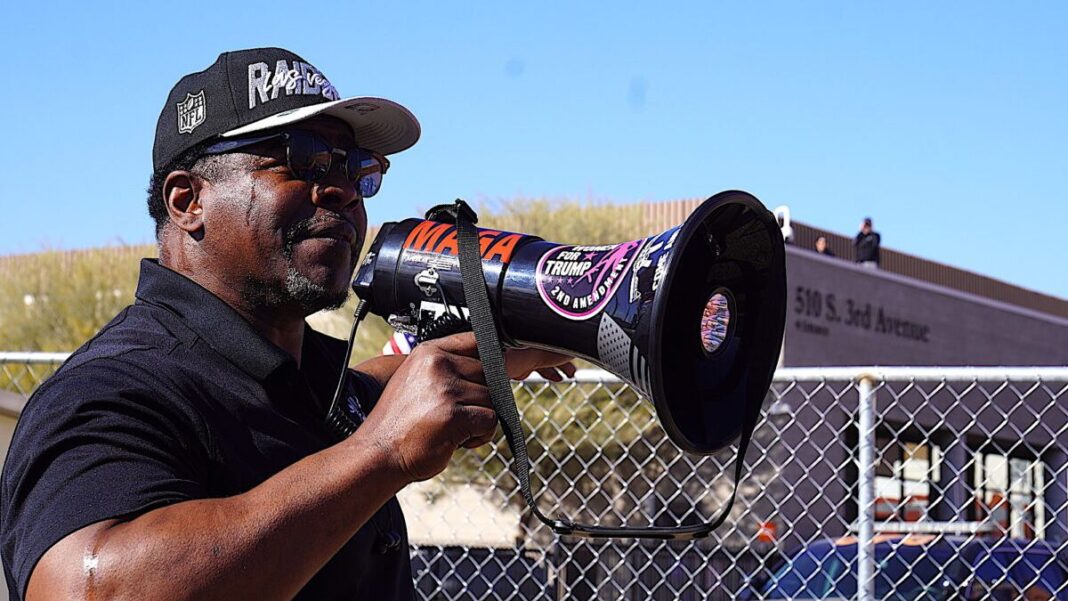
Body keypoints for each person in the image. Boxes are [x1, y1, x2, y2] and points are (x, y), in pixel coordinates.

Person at [0, 47, 574, 601]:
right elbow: (86, 588)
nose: (343, 189)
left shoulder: (313, 380)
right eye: (305, 160)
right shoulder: (112, 390)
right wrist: (379, 454)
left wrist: (524, 334)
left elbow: (383, 385)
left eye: (357, 169)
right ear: (187, 201)